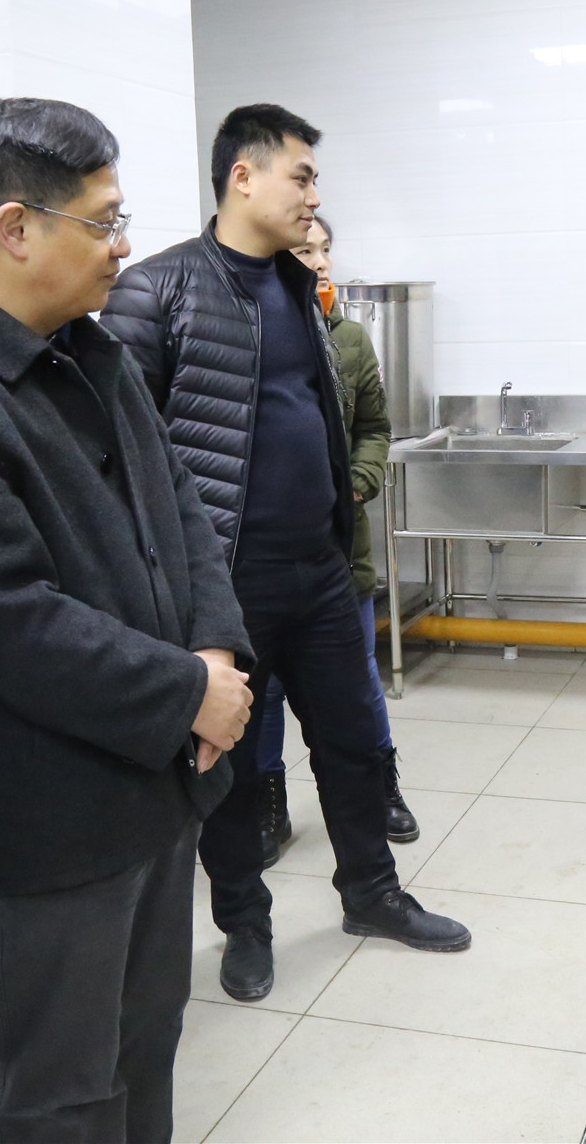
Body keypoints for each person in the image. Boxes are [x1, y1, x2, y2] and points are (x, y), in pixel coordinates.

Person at [0, 98, 254, 1144]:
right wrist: (190, 692)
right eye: (104, 221)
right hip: (54, 815)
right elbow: (9, 620)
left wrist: (213, 651)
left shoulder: (88, 348)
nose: (122, 246)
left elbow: (178, 505)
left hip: (159, 778)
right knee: (60, 1089)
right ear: (16, 228)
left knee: (146, 1044)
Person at [105, 104, 469, 1006]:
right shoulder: (157, 291)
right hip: (224, 588)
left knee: (353, 745)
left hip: (320, 573)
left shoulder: (301, 289)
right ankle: (246, 923)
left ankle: (372, 893)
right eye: (301, 176)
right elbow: (121, 459)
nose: (313, 195)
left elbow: (329, 418)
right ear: (244, 176)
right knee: (229, 765)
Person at [254, 214, 415, 867]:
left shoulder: (349, 339)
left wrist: (358, 482)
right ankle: (267, 802)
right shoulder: (251, 335)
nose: (320, 262)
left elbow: (375, 427)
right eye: (304, 250)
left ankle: (381, 786)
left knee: (358, 678)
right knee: (263, 689)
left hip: (341, 551)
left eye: (325, 250)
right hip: (266, 555)